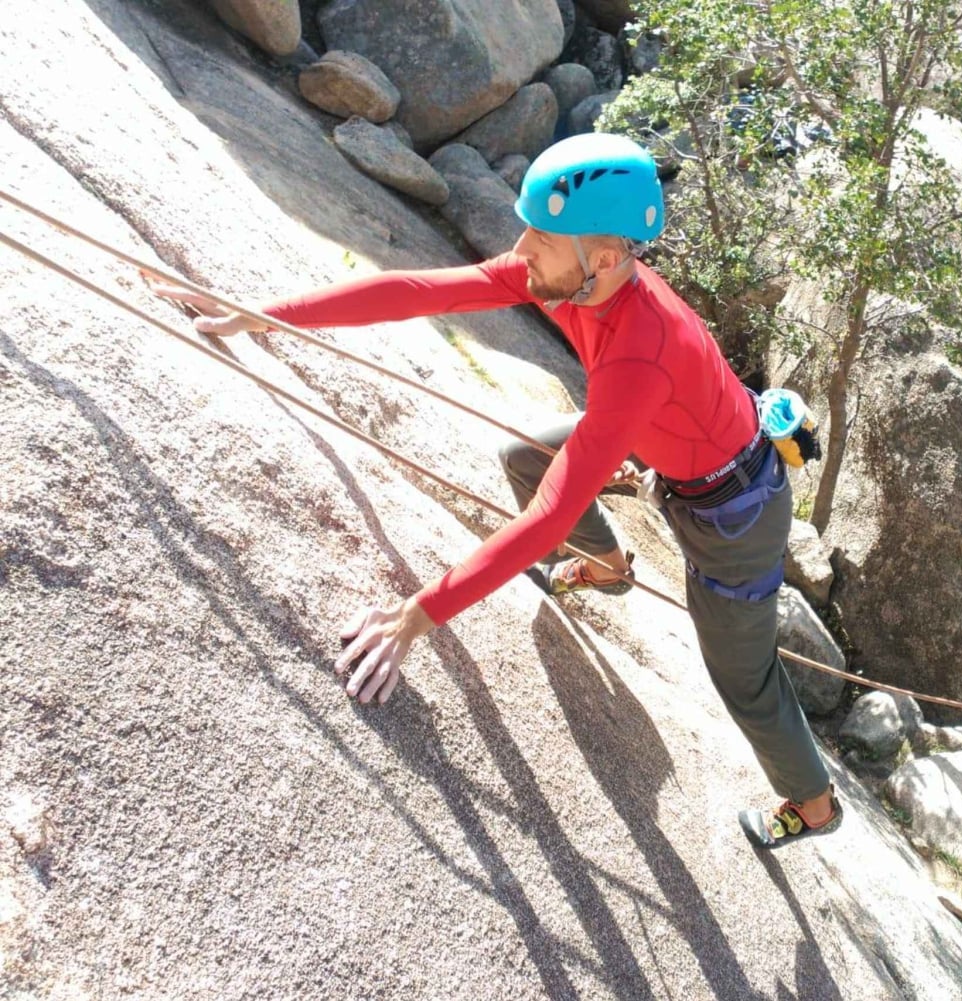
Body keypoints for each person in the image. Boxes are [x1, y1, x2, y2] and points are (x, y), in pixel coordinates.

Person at [150, 133, 839, 849]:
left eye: (542, 236)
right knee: (526, 456)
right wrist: (263, 312)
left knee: (743, 679)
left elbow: (549, 521)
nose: (521, 248)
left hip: (733, 516)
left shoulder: (640, 348)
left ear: (604, 259)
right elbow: (419, 292)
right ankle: (609, 569)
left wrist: (415, 617)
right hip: (668, 437)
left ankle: (815, 804)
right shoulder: (573, 276)